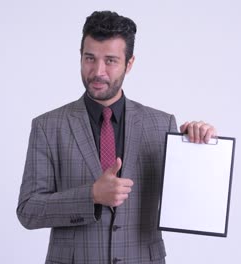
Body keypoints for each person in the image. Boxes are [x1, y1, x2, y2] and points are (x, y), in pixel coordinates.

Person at [17, 10, 217, 264]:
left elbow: (188, 201)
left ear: (129, 63)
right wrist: (90, 196)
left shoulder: (161, 124)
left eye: (110, 60)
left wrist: (200, 149)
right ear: (80, 57)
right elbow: (28, 210)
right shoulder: (48, 126)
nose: (98, 71)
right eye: (90, 58)